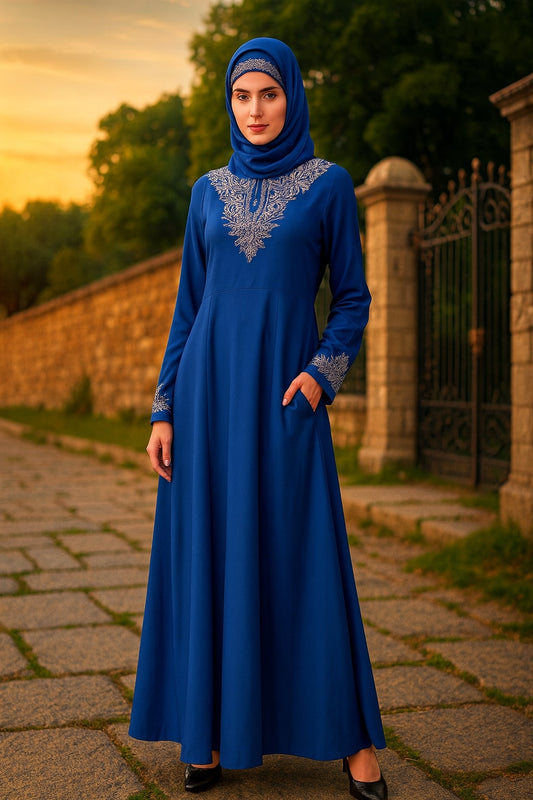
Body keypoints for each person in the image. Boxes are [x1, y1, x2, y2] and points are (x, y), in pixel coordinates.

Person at [129, 37, 388, 800]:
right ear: (228, 104)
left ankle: (353, 744)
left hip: (284, 406)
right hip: (206, 406)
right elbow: (188, 308)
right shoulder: (206, 191)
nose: (255, 110)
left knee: (305, 560)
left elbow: (352, 298)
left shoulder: (329, 186)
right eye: (241, 96)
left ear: (291, 96)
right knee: (209, 557)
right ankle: (207, 738)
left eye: (267, 94)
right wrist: (163, 407)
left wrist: (319, 376)